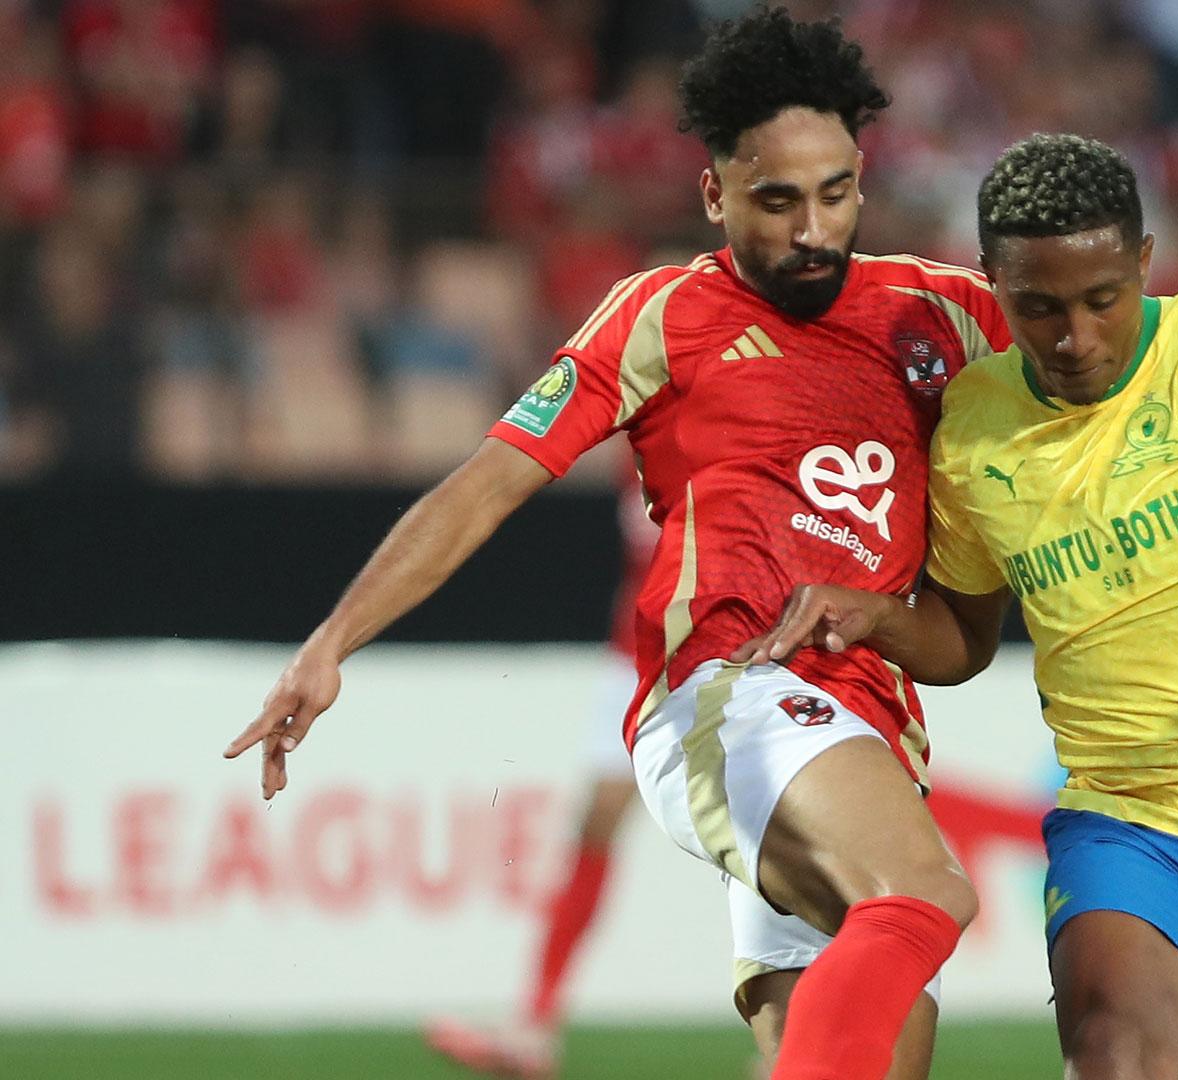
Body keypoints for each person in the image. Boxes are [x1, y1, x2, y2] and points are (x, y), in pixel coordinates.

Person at [223, 9, 1011, 1080]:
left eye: (836, 194)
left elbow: (1129, 381)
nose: (814, 228)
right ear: (715, 195)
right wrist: (331, 642)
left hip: (870, 733)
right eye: (778, 200)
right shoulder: (660, 315)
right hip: (734, 698)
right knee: (925, 893)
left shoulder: (947, 315)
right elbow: (487, 484)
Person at [738, 133, 1178, 1079]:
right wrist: (881, 617)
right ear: (994, 282)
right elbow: (963, 637)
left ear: (1144, 262)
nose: (1074, 338)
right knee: (1112, 1046)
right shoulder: (973, 427)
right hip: (1128, 825)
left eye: (1103, 300)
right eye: (1038, 307)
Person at [424, 475, 659, 1079]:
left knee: (769, 841)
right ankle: (535, 1026)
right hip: (639, 656)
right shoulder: (633, 444)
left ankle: (800, 1037)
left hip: (725, 655)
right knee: (596, 821)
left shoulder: (739, 432)